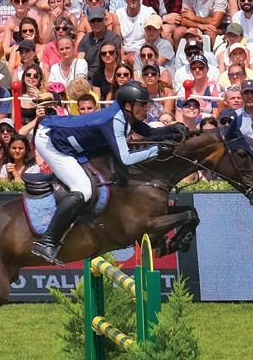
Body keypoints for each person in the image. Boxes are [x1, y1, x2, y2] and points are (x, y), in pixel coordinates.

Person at [32, 81, 179, 264]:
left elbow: (149, 132)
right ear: (128, 106)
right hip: (51, 141)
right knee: (83, 190)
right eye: (142, 104)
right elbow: (126, 158)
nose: (146, 108)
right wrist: (156, 150)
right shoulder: (115, 120)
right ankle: (47, 242)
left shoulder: (126, 114)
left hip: (70, 140)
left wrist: (172, 130)